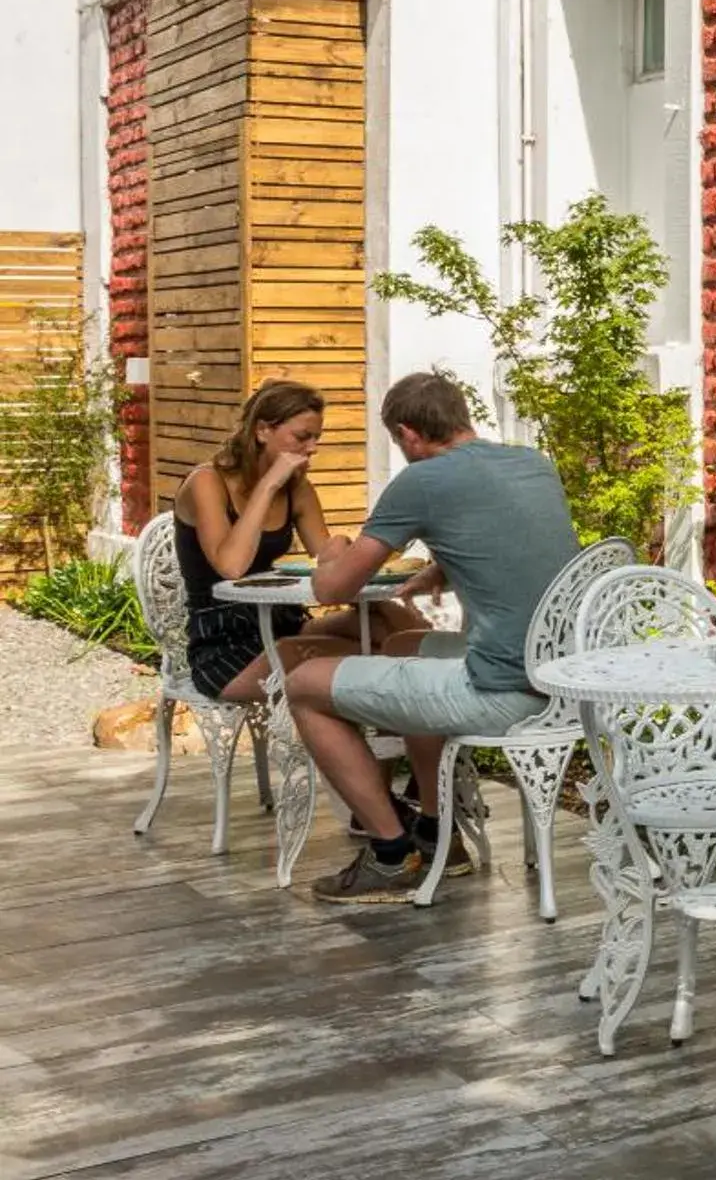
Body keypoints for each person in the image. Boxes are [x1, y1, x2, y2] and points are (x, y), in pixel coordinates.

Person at [284, 371, 583, 904]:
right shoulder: (532, 462)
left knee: (304, 683)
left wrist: (333, 549)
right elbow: (511, 540)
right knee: (403, 646)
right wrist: (444, 566)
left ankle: (391, 853)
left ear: (408, 434)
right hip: (561, 680)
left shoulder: (422, 481)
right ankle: (434, 827)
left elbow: (335, 588)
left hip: (504, 692)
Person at [174, 380, 429, 707]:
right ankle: (379, 736)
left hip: (286, 622)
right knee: (378, 654)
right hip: (224, 643)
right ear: (263, 430)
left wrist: (343, 555)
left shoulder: (297, 489)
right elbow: (231, 566)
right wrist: (268, 485)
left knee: (393, 629)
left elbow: (327, 560)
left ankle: (403, 736)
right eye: (302, 437)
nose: (312, 448)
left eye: (316, 438)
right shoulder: (207, 482)